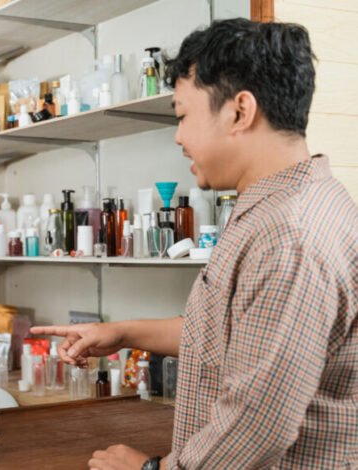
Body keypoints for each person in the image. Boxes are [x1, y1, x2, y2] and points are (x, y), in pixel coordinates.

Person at [33, 18, 358, 470]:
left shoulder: (290, 237)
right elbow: (233, 335)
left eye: (183, 115)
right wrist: (122, 334)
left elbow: (257, 425)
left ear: (240, 111)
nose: (179, 136)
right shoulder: (278, 209)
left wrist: (153, 469)